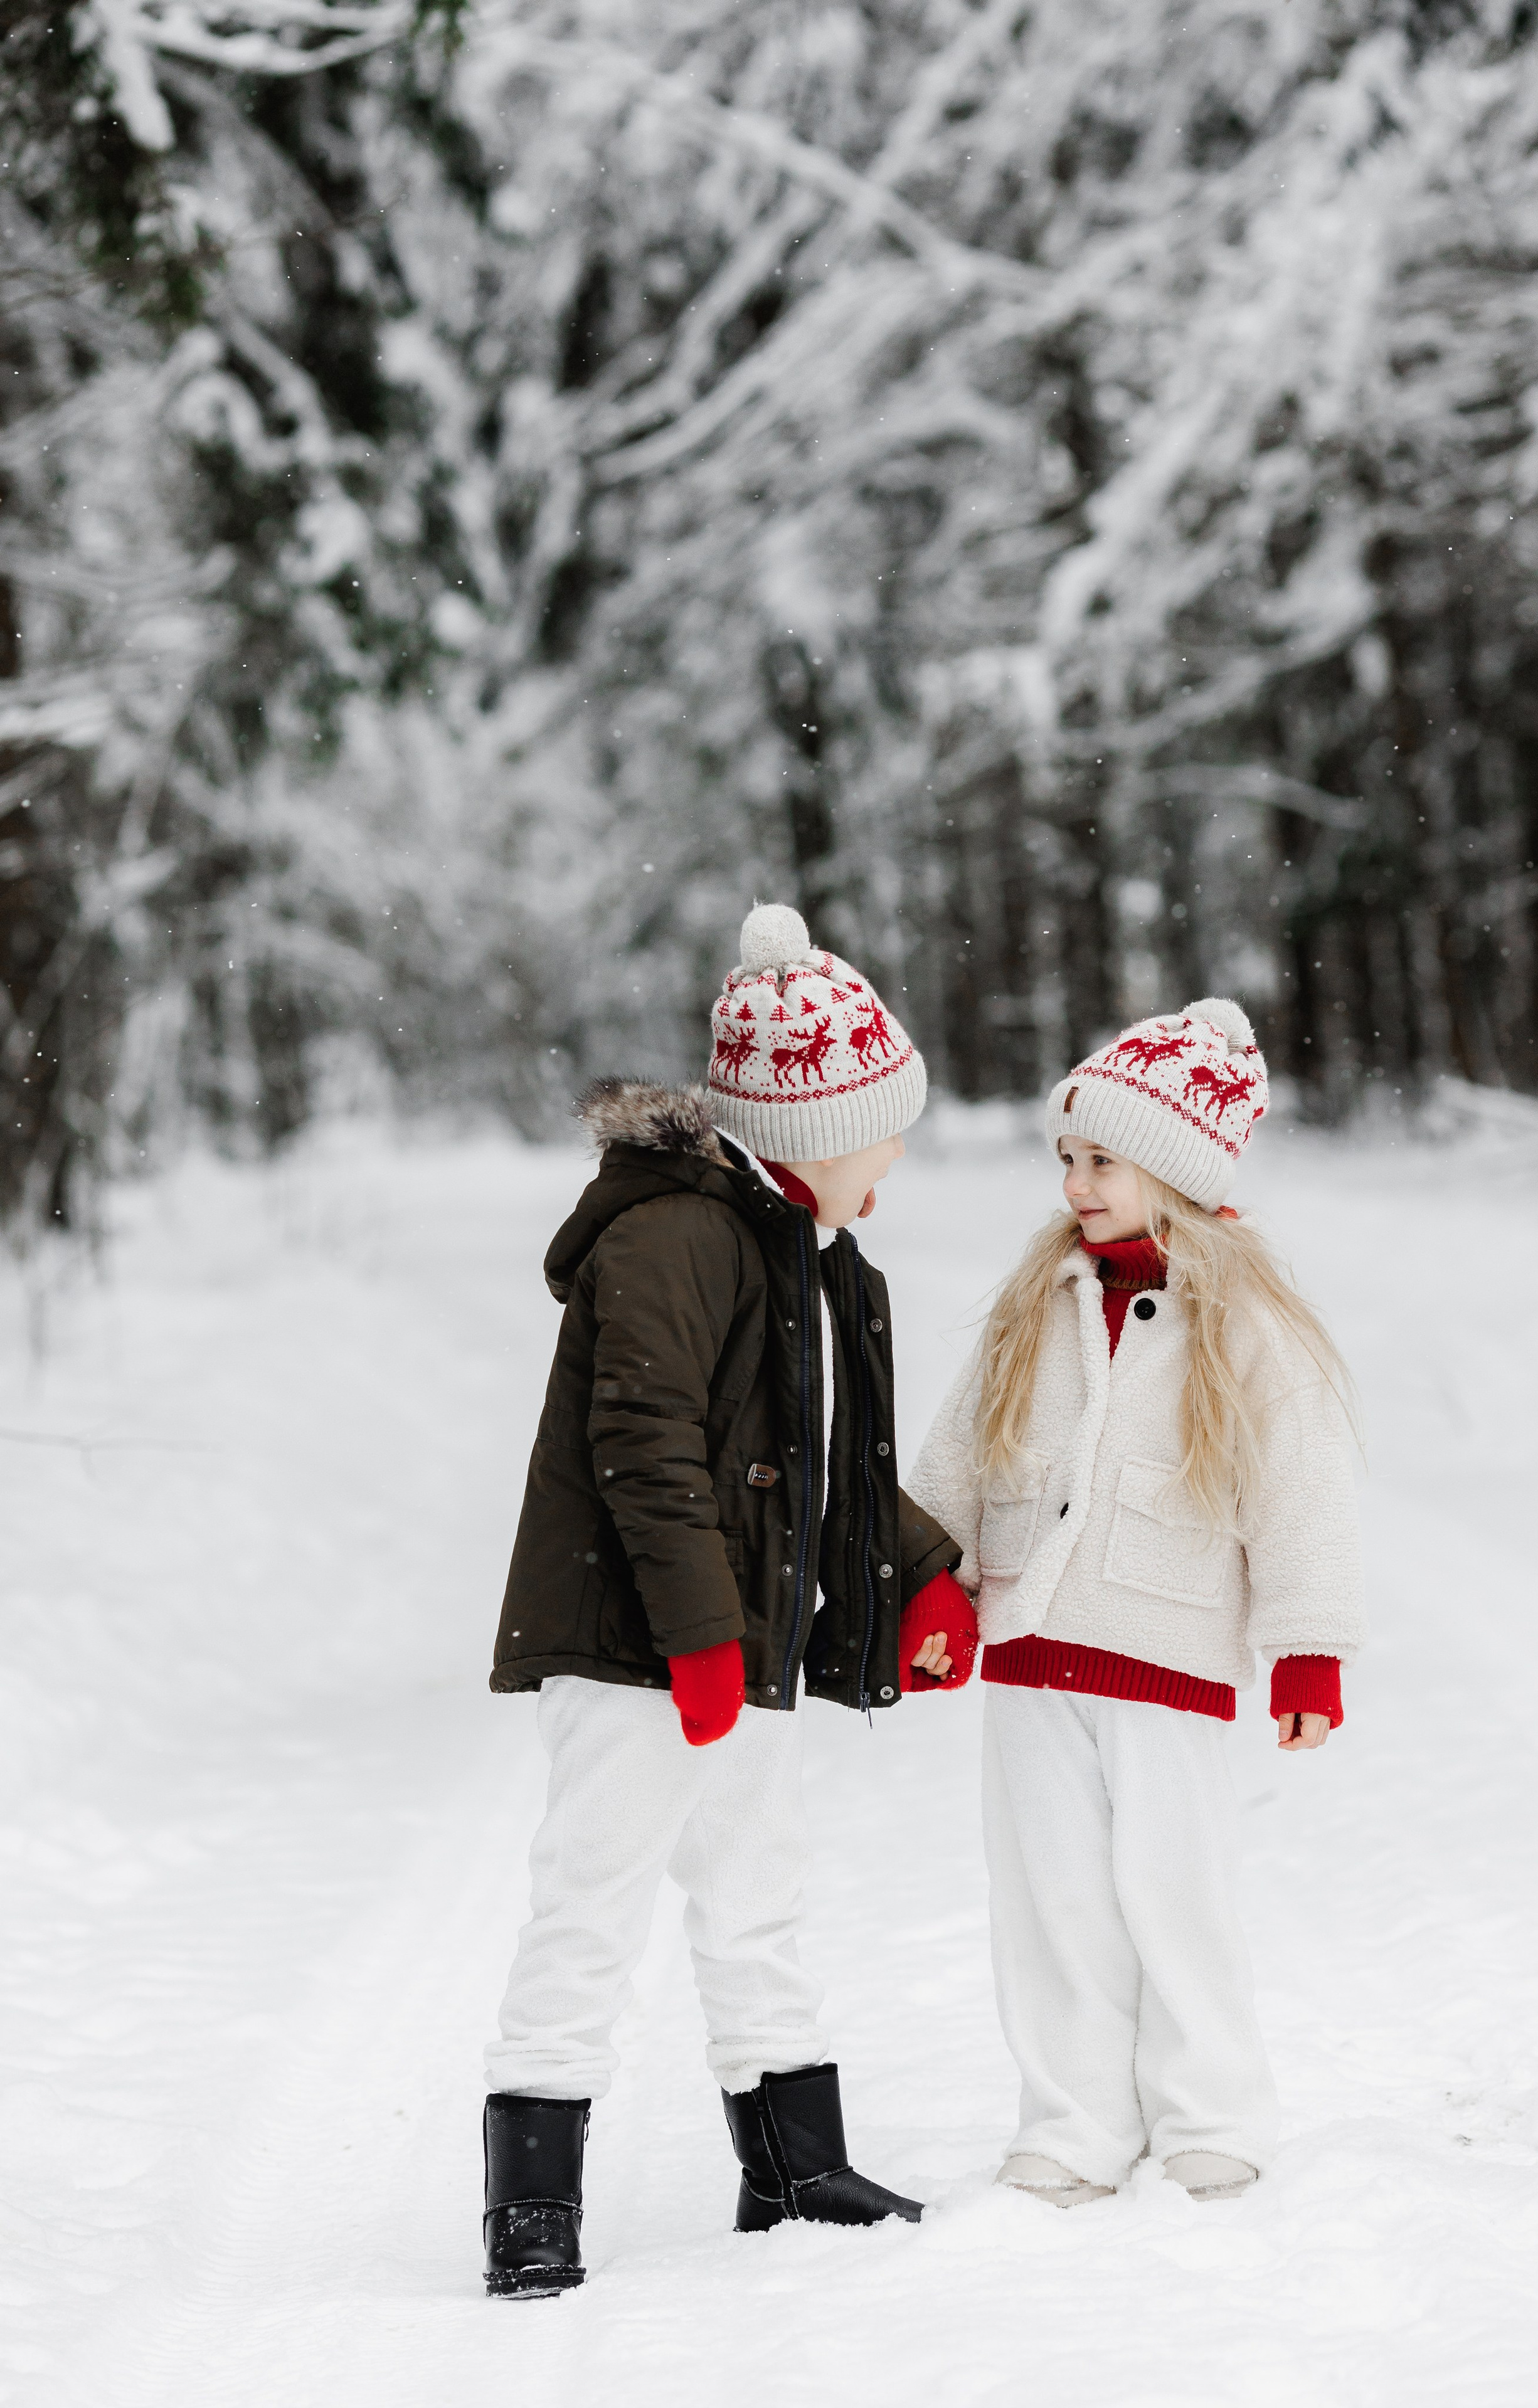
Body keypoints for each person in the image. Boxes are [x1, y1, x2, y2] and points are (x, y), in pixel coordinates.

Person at [480, 903, 978, 2297]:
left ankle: (792, 2161)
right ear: (814, 1135)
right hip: (640, 1650)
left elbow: (828, 1470)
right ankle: (531, 2209)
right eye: (885, 1136)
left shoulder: (814, 1262)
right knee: (590, 1900)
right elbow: (640, 1453)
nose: (893, 1167)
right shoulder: (674, 1242)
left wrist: (916, 1573)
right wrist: (698, 1639)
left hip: (735, 1646)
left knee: (758, 1891)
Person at [908, 997, 1364, 2207]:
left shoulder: (1248, 1328)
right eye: (1067, 1156)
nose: (1077, 1181)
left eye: (1102, 1158)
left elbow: (1304, 1493)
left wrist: (1305, 1651)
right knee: (1048, 1892)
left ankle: (1211, 2111)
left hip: (1166, 1648)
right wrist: (927, 1587)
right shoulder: (1034, 1303)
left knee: (1174, 1886)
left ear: (1172, 1168)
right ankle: (1071, 2127)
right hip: (1028, 1651)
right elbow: (958, 1457)